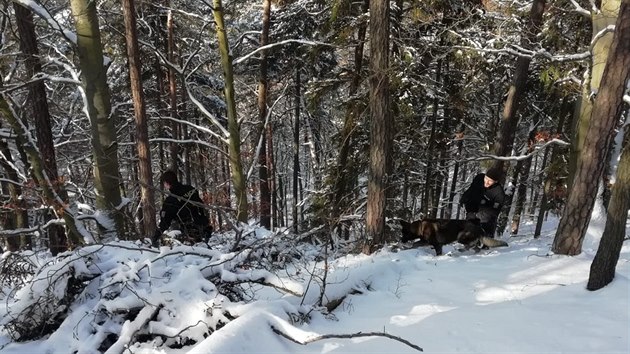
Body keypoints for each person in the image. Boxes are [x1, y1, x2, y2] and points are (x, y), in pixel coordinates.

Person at [153, 170, 212, 246]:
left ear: (167, 183)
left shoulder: (170, 201)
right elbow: (201, 205)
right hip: (203, 226)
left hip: (189, 233)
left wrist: (155, 237)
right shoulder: (190, 189)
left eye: (164, 183)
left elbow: (165, 222)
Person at [460, 167, 506, 238]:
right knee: (468, 235)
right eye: (486, 178)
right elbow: (471, 189)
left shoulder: (499, 193)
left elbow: (494, 211)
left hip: (486, 221)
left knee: (482, 237)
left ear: (496, 181)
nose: (486, 182)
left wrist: (477, 215)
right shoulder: (479, 178)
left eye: (490, 181)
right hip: (472, 213)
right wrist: (464, 197)